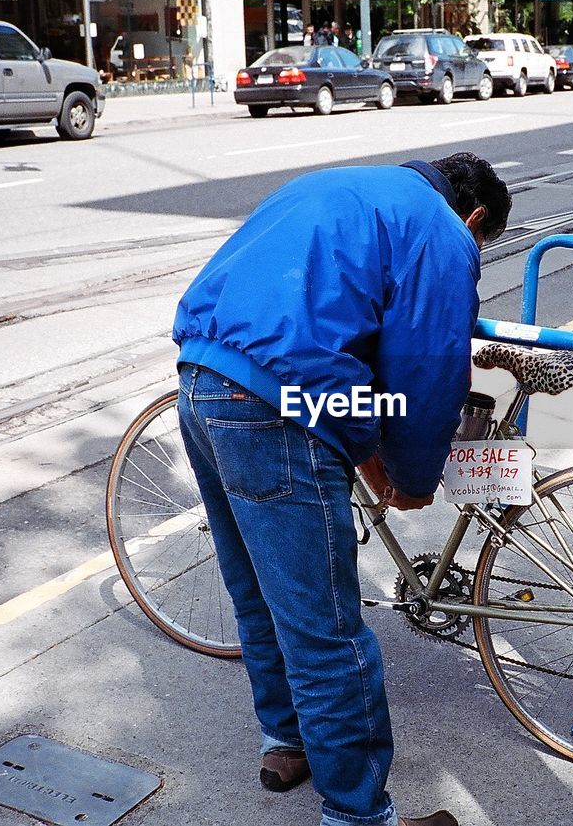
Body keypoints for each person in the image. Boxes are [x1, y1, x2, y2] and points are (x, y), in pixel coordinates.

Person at [171, 154, 512, 826]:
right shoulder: (443, 232)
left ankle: (287, 741)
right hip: (276, 407)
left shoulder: (341, 184)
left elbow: (318, 331)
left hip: (200, 378)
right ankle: (358, 815)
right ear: (474, 218)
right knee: (327, 628)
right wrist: (410, 479)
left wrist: (366, 456)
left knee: (261, 593)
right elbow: (425, 372)